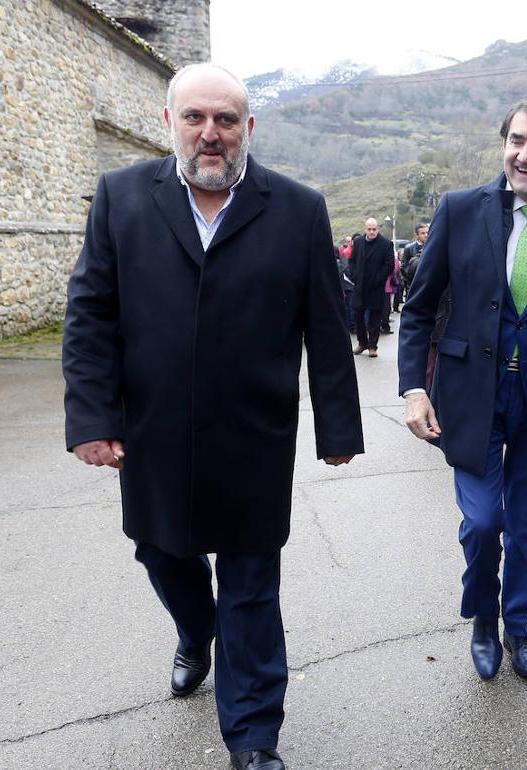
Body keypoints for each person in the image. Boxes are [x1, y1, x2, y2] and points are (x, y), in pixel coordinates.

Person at [62, 63, 364, 770]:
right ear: (170, 122)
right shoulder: (120, 198)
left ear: (247, 129)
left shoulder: (297, 209)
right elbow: (90, 316)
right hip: (151, 433)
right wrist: (91, 416)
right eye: (195, 118)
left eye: (225, 120)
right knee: (162, 552)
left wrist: (338, 430)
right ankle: (196, 632)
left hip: (253, 435)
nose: (210, 133)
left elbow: (326, 325)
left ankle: (255, 735)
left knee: (252, 585)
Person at [398, 100, 527, 681]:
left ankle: (519, 625)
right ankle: (483, 617)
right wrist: (414, 388)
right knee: (484, 521)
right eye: (517, 139)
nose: (525, 153)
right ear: (504, 143)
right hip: (469, 397)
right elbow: (416, 312)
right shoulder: (460, 210)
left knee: (526, 527)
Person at [351, 217, 393, 357]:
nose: (371, 232)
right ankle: (362, 343)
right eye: (369, 229)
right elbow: (352, 261)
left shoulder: (386, 244)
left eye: (374, 229)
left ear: (378, 229)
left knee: (375, 318)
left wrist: (378, 279)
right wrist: (354, 276)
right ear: (365, 229)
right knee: (357, 315)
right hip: (360, 287)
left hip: (376, 288)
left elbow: (389, 265)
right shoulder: (357, 242)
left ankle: (372, 347)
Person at [400, 223, 429, 303]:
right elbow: (404, 266)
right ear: (417, 235)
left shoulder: (433, 246)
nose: (426, 235)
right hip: (413, 284)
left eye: (427, 232)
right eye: (422, 233)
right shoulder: (409, 248)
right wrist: (413, 276)